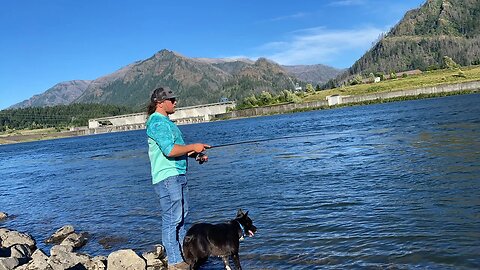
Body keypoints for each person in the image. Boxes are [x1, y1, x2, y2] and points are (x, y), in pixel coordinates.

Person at [146, 86, 210, 270]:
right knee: (172, 219)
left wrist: (196, 154)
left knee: (181, 218)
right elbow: (170, 150)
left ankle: (186, 255)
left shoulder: (167, 123)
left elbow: (178, 150)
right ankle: (174, 261)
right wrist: (194, 145)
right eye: (171, 100)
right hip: (167, 177)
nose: (175, 102)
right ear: (159, 103)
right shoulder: (157, 122)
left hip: (177, 174)